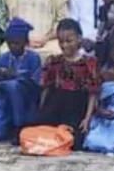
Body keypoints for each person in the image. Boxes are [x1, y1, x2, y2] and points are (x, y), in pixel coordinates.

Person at [35, 19, 100, 150]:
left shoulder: (89, 63)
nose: (64, 45)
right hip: (56, 104)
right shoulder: (54, 61)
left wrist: (87, 119)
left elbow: (92, 93)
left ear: (79, 39)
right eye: (61, 42)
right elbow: (46, 88)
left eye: (69, 41)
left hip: (77, 106)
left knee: (75, 141)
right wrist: (41, 112)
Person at [0, 18, 41, 141]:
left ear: (25, 42)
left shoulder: (33, 58)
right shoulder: (4, 58)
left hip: (25, 101)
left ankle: (19, 126)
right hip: (4, 103)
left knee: (14, 86)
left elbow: (35, 83)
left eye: (17, 43)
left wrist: (14, 75)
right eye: (10, 43)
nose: (13, 46)